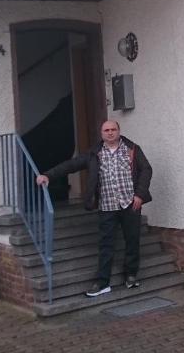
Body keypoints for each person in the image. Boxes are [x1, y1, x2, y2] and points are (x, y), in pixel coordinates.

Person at [35, 120, 152, 297]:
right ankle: (103, 282)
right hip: (107, 206)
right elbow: (71, 165)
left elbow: (146, 170)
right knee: (106, 245)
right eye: (106, 130)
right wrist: (48, 175)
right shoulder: (94, 153)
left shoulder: (132, 149)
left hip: (130, 204)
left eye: (113, 129)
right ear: (101, 133)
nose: (110, 132)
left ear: (119, 131)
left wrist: (140, 195)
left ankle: (131, 275)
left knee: (132, 241)